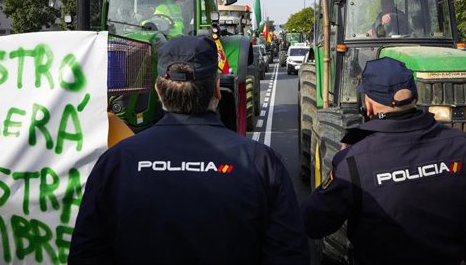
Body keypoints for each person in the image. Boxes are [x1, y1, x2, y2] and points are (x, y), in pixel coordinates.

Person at [69, 35, 309, 265]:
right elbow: (289, 253)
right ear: (217, 90)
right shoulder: (261, 162)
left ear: (158, 90)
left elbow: (87, 252)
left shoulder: (116, 162)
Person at [301, 57, 466, 265]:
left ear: (368, 104)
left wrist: (340, 166)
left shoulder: (354, 161)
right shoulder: (465, 144)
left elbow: (313, 222)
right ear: (415, 97)